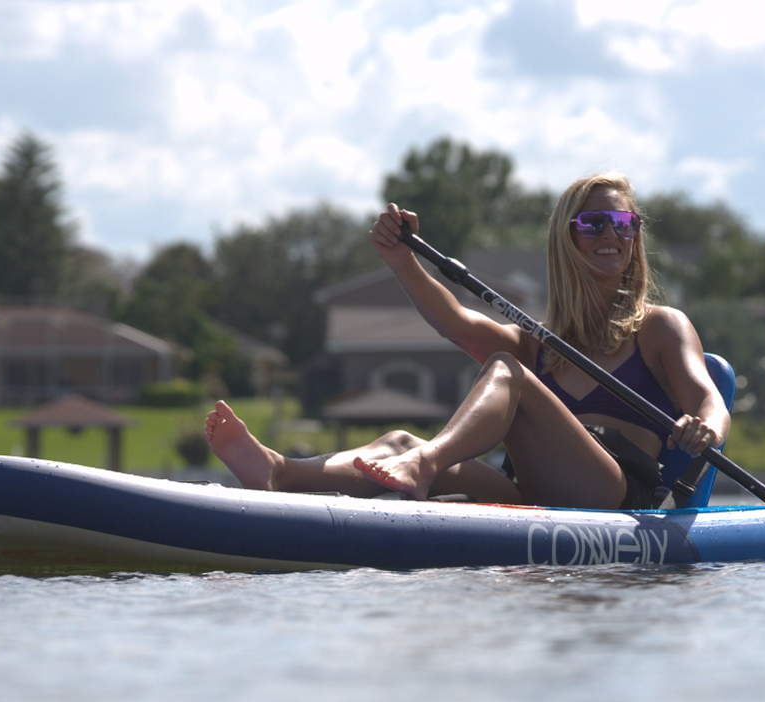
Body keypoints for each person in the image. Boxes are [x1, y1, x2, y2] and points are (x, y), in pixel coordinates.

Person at [204, 170, 729, 510]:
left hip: (615, 495)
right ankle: (282, 473)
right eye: (594, 224)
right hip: (530, 495)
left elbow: (708, 397)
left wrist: (705, 426)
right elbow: (454, 321)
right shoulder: (537, 343)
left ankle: (424, 467)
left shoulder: (659, 326)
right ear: (565, 239)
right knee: (401, 442)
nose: (612, 235)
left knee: (503, 374)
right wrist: (400, 259)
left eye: (624, 223)